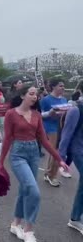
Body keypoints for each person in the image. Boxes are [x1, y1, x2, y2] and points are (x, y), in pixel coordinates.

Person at [0, 85, 69, 241]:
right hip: (18, 154)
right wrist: (0, 162)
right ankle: (28, 229)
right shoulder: (11, 114)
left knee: (25, 190)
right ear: (23, 95)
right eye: (31, 94)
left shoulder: (37, 114)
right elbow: (7, 138)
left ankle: (15, 224)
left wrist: (59, 159)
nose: (34, 97)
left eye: (36, 95)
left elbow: (44, 140)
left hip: (33, 153)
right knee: (34, 191)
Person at [58, 98, 83, 235]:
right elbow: (66, 133)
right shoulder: (76, 110)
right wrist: (61, 157)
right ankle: (75, 218)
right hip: (78, 150)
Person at [40, 78, 67, 187]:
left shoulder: (64, 99)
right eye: (60, 85)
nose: (63, 88)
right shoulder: (46, 100)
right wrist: (50, 113)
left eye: (63, 86)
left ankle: (49, 173)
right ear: (53, 87)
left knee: (59, 151)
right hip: (50, 127)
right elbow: (40, 115)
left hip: (62, 127)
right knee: (55, 151)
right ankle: (51, 175)